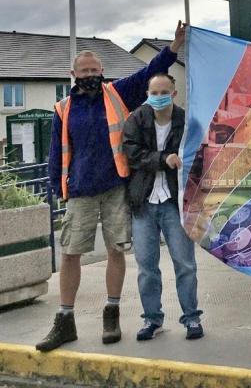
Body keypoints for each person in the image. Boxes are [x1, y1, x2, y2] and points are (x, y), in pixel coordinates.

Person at [36, 21, 186, 352]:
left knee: (116, 250)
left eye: (94, 69)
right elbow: (55, 154)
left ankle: (112, 313)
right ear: (73, 74)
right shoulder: (63, 109)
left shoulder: (117, 93)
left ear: (102, 70)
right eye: (84, 70)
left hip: (116, 187)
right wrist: (55, 190)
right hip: (79, 192)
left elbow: (153, 69)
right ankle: (65, 321)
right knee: (70, 254)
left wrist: (174, 47)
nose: (90, 73)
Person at [122, 73, 203, 341]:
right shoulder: (136, 119)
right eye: (153, 92)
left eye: (163, 92)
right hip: (143, 202)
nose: (158, 97)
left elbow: (201, 157)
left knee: (185, 264)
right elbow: (131, 153)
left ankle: (191, 318)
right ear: (147, 94)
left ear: (174, 93)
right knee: (146, 266)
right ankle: (152, 319)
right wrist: (162, 159)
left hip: (174, 203)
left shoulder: (187, 122)